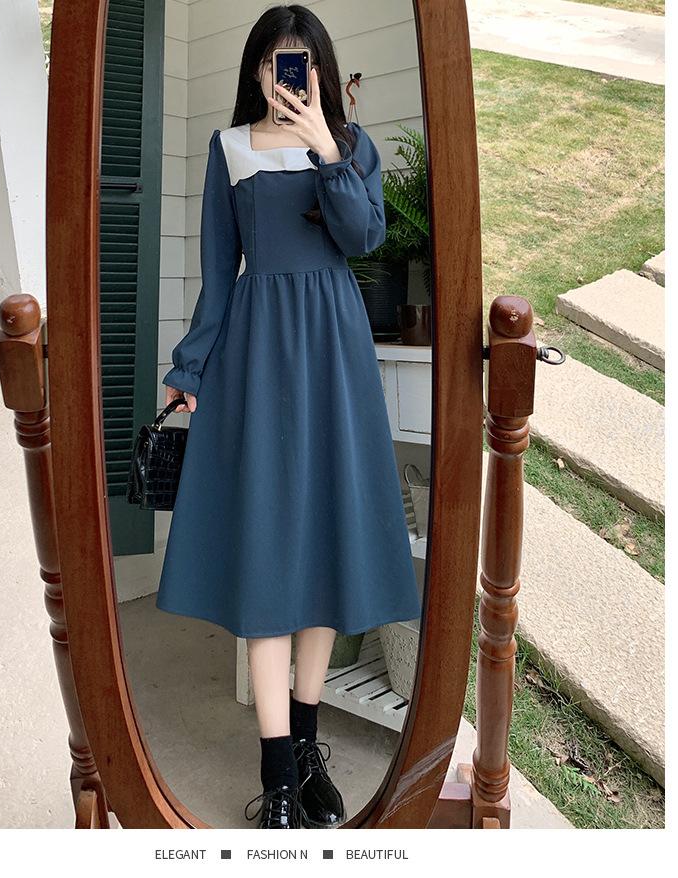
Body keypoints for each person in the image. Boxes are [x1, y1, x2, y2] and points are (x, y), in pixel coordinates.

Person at [156, 4, 421, 829]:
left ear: (323, 72)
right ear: (256, 72)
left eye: (301, 64)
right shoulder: (228, 147)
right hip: (257, 355)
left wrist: (326, 151)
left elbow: (364, 239)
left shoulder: (349, 146)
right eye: (276, 63)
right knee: (270, 550)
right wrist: (190, 369)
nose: (287, 78)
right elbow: (218, 271)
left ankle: (306, 753)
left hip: (335, 352)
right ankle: (277, 778)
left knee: (324, 543)